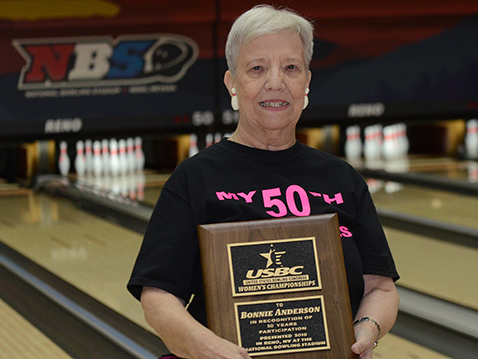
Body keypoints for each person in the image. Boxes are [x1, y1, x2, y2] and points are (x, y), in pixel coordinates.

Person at [127, 5, 399, 359]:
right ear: (232, 83)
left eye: (291, 68)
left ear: (306, 82)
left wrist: (366, 331)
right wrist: (210, 348)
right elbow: (158, 296)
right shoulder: (194, 179)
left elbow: (380, 287)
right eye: (257, 68)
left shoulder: (342, 179)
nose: (276, 81)